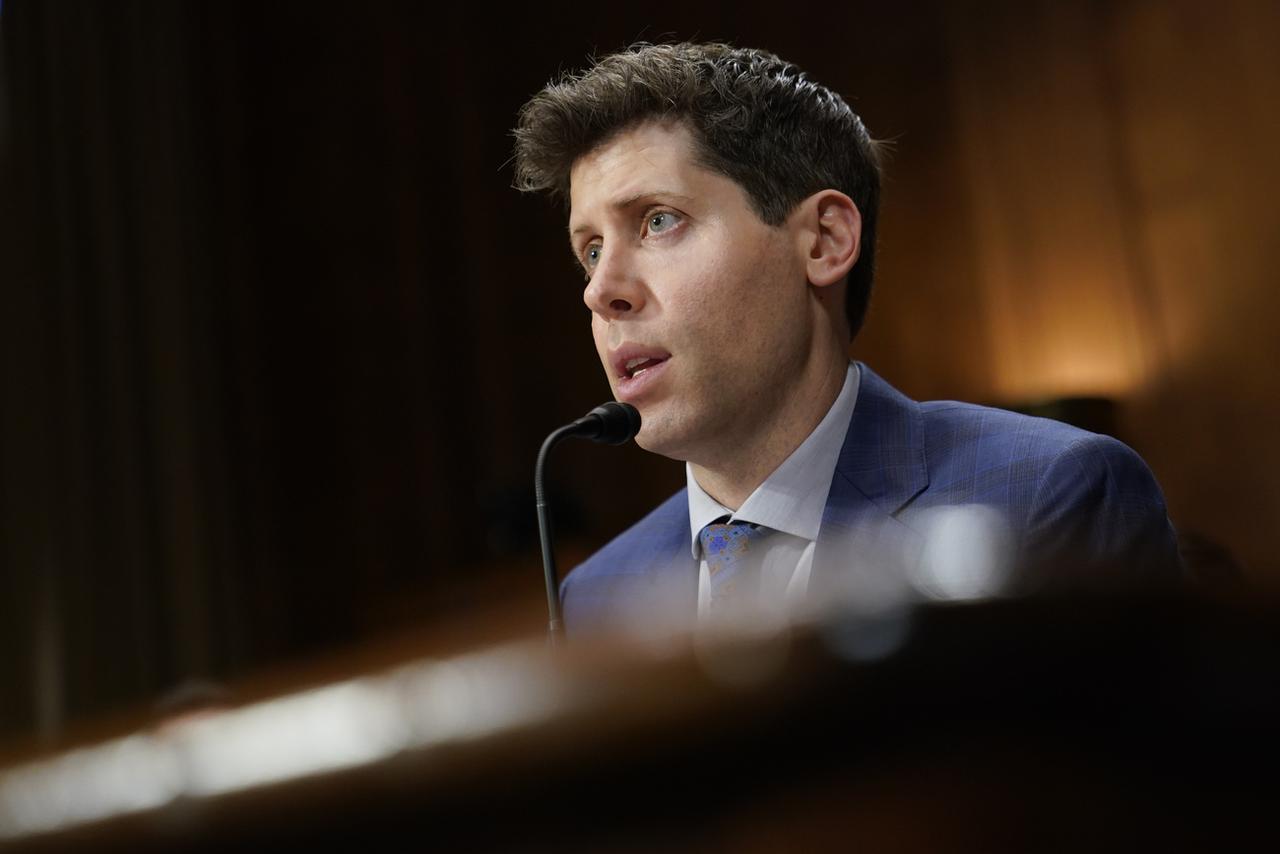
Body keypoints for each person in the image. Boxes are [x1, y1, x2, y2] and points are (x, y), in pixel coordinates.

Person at [512, 42, 1181, 637]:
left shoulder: (1047, 497)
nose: (601, 291)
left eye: (658, 221)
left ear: (825, 241)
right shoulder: (593, 600)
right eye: (592, 249)